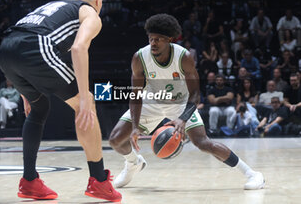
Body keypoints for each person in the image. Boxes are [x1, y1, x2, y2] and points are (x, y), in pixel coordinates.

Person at [109, 14, 264, 190]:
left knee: (203, 143)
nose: (153, 43)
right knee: (115, 139)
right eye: (151, 38)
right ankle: (133, 163)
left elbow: (196, 94)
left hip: (181, 103)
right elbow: (135, 94)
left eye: (158, 39)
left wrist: (182, 118)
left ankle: (252, 174)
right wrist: (136, 126)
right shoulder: (139, 58)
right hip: (151, 101)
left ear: (170, 39)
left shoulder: (184, 57)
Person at [0, 0, 121, 202]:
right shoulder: (91, 13)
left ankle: (29, 181)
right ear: (99, 1)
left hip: (6, 49)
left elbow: (21, 37)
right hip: (34, 46)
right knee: (88, 102)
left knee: (39, 107)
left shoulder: (55, 6)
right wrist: (83, 97)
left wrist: (26, 89)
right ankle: (99, 181)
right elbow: (79, 48)